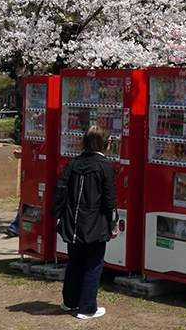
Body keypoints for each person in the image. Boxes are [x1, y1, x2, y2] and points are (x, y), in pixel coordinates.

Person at [52, 125, 119, 320]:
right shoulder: (105, 166)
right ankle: (87, 308)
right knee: (93, 264)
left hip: (73, 220)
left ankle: (70, 301)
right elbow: (109, 199)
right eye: (110, 141)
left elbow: (60, 185)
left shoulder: (74, 163)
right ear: (103, 143)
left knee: (75, 261)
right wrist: (113, 223)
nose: (110, 144)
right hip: (95, 221)